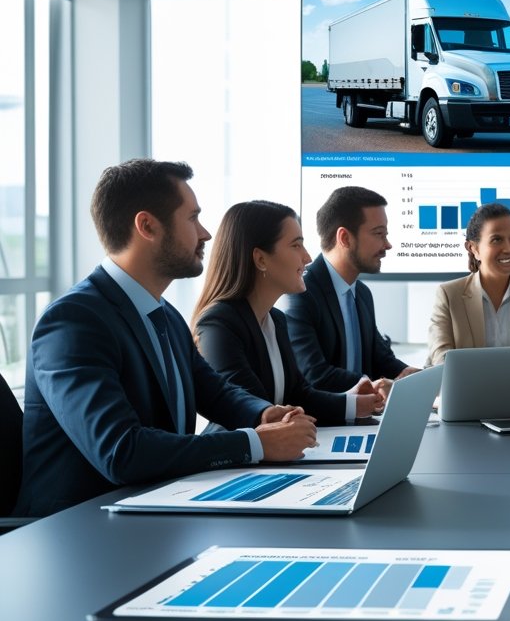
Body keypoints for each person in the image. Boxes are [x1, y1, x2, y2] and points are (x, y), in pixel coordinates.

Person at [15, 160, 317, 518]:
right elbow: (121, 451)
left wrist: (265, 414)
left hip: (155, 509)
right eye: (192, 218)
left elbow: (215, 392)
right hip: (80, 530)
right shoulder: (73, 322)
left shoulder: (164, 315)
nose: (205, 234)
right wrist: (255, 443)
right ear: (147, 226)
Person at [193, 200, 384, 425]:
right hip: (242, 457)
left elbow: (299, 394)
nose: (307, 257)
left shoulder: (276, 320)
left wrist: (355, 403)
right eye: (296, 245)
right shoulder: (219, 324)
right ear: (261, 259)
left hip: (280, 454)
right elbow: (249, 408)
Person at [285, 186, 418, 396]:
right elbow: (315, 375)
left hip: (362, 418)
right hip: (321, 424)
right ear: (345, 238)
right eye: (379, 234)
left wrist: (410, 375)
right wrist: (377, 385)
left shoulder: (362, 293)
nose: (388, 244)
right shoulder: (300, 295)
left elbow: (380, 358)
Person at [426, 203, 510, 366]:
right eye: (497, 240)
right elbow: (441, 360)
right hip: (466, 390)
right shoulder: (449, 294)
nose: (509, 248)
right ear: (473, 248)